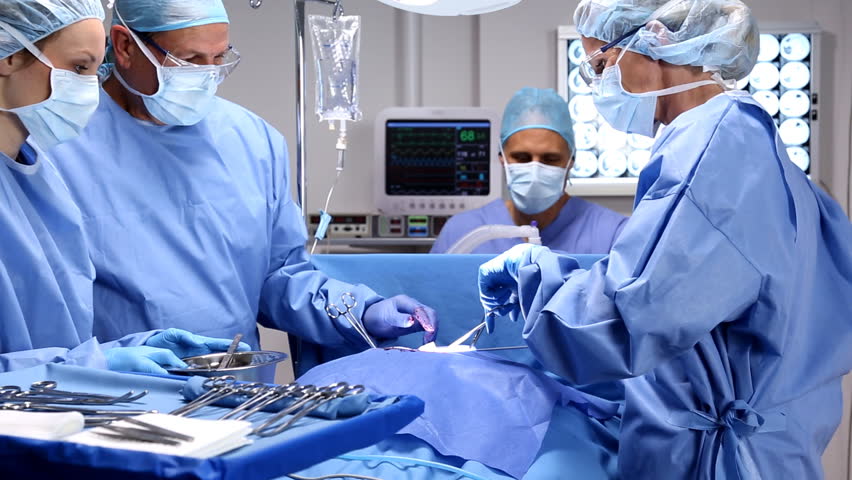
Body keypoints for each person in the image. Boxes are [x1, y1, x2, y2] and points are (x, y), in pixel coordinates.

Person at [477, 0, 852, 478]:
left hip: (717, 460)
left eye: (600, 64)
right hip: (774, 447)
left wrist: (533, 274)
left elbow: (626, 319)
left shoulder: (712, 152)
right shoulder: (749, 140)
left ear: (654, 38)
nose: (599, 86)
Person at [48, 0, 437, 362]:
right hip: (116, 399)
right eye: (189, 61)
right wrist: (101, 366)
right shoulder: (57, 147)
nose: (206, 76)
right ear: (125, 46)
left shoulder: (253, 141)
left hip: (238, 389)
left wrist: (360, 312)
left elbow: (280, 278)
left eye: (218, 59)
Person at [0, 0, 241, 374]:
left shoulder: (38, 179)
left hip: (58, 417)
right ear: (9, 57)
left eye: (95, 70)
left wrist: (130, 348)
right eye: (79, 67)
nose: (89, 89)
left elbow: (55, 339)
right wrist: (95, 365)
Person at [431, 87, 627, 254]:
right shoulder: (462, 231)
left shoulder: (611, 235)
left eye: (550, 159)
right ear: (502, 158)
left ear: (571, 161)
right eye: (522, 158)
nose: (535, 170)